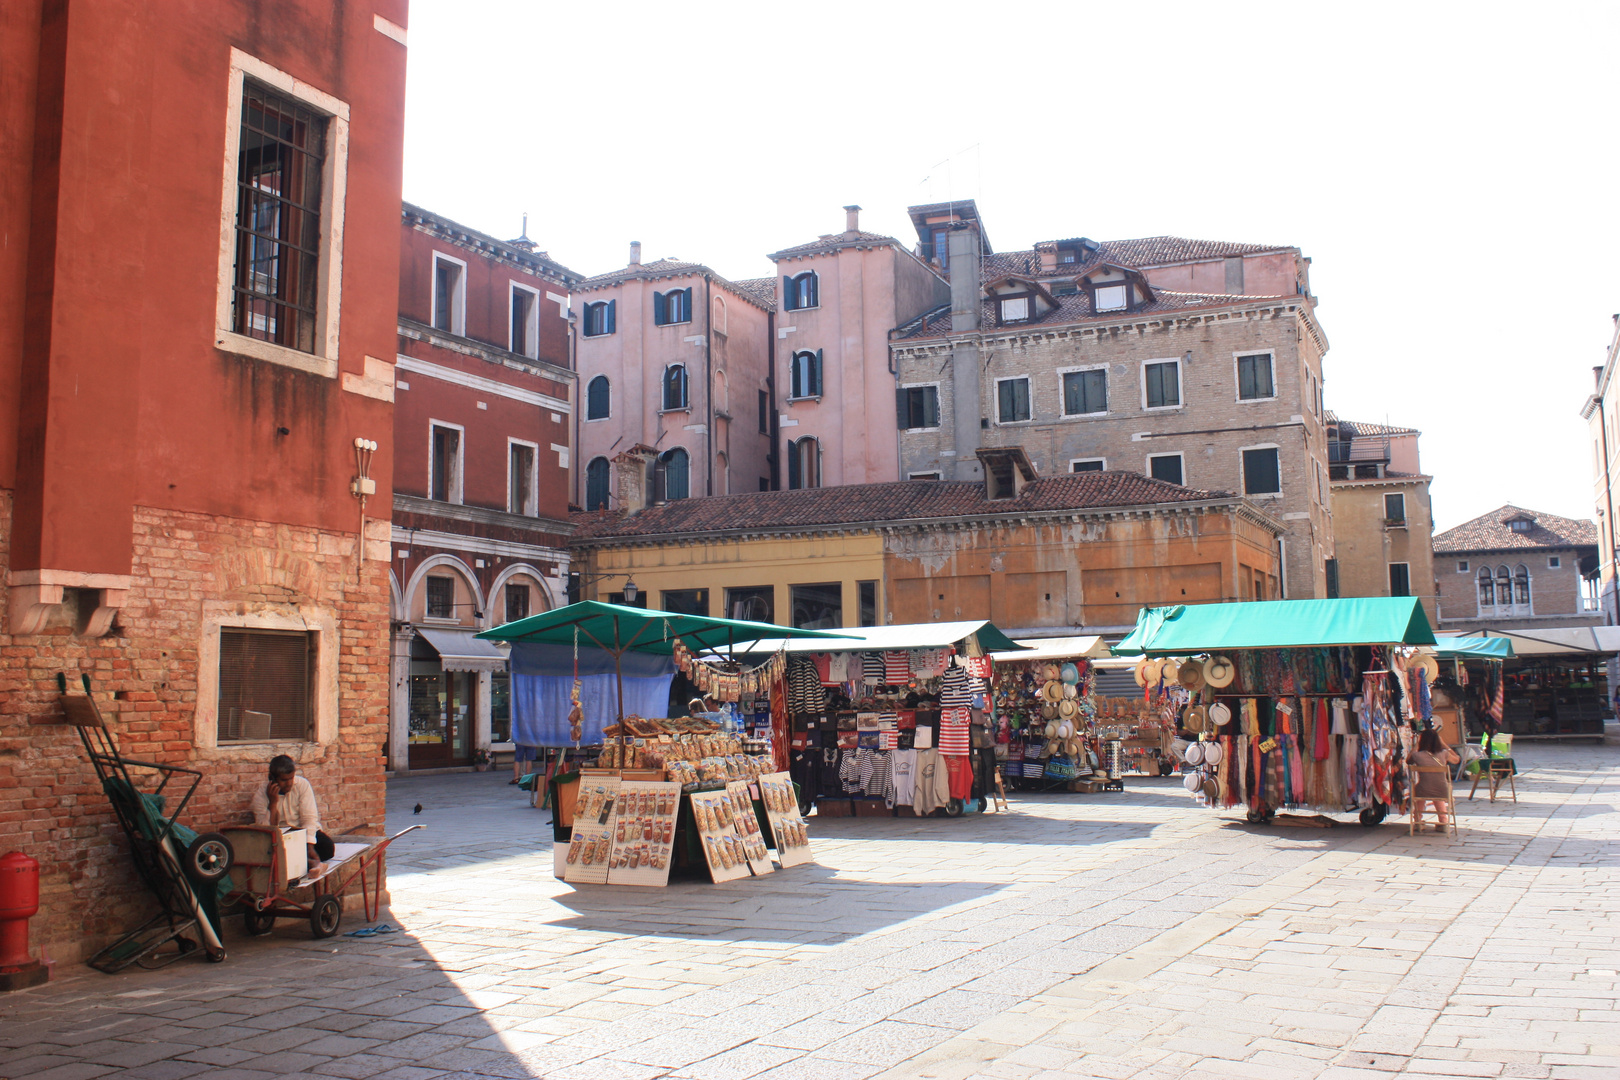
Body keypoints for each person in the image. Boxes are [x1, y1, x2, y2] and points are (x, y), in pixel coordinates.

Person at [250, 755, 335, 871]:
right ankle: (310, 864)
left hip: (302, 834)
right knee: (269, 852)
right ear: (272, 779)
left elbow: (309, 818)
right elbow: (266, 830)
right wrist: (273, 803)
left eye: (291, 778)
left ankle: (306, 861)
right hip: (280, 839)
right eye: (284, 780)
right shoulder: (261, 795)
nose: (289, 783)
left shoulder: (302, 785)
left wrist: (310, 846)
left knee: (327, 847)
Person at [1407, 727, 1460, 832]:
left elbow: (1408, 760)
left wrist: (1416, 745)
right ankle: (1443, 821)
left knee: (1422, 789)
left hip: (1423, 789)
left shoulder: (1417, 755)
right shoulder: (1444, 753)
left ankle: (1417, 821)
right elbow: (1457, 760)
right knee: (1437, 788)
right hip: (1442, 790)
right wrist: (1444, 744)